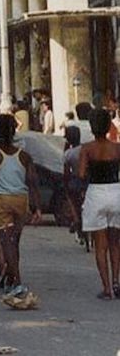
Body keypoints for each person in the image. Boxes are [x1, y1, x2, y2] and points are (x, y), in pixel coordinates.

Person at [0, 114, 41, 296]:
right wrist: (37, 207)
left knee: (6, 242)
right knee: (14, 242)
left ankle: (17, 281)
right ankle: (11, 278)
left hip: (1, 201)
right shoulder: (24, 156)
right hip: (21, 200)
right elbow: (33, 182)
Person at [78, 109, 120, 299]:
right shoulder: (117, 148)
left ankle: (106, 288)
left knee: (101, 245)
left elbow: (81, 174)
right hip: (116, 192)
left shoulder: (87, 148)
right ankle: (116, 282)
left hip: (96, 193)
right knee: (115, 243)